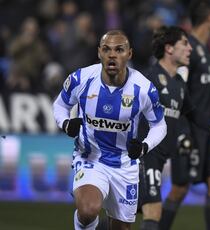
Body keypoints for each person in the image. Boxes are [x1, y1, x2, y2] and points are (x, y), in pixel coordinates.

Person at [52, 30, 167, 230]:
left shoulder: (144, 89)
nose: (112, 55)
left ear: (129, 54)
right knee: (88, 210)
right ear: (99, 53)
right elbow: (60, 105)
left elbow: (159, 125)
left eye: (119, 50)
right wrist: (65, 123)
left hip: (125, 164)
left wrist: (143, 147)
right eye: (106, 49)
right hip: (90, 158)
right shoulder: (81, 79)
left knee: (121, 228)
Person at [138, 26, 210, 230]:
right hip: (143, 158)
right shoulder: (148, 79)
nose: (190, 49)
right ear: (169, 48)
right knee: (153, 212)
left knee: (121, 221)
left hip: (159, 158)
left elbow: (194, 114)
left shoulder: (178, 83)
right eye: (185, 44)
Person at [160, 1, 210, 230]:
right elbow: (178, 91)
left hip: (208, 131)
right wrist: (182, 131)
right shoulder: (187, 50)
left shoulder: (206, 50)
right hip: (190, 130)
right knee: (180, 189)